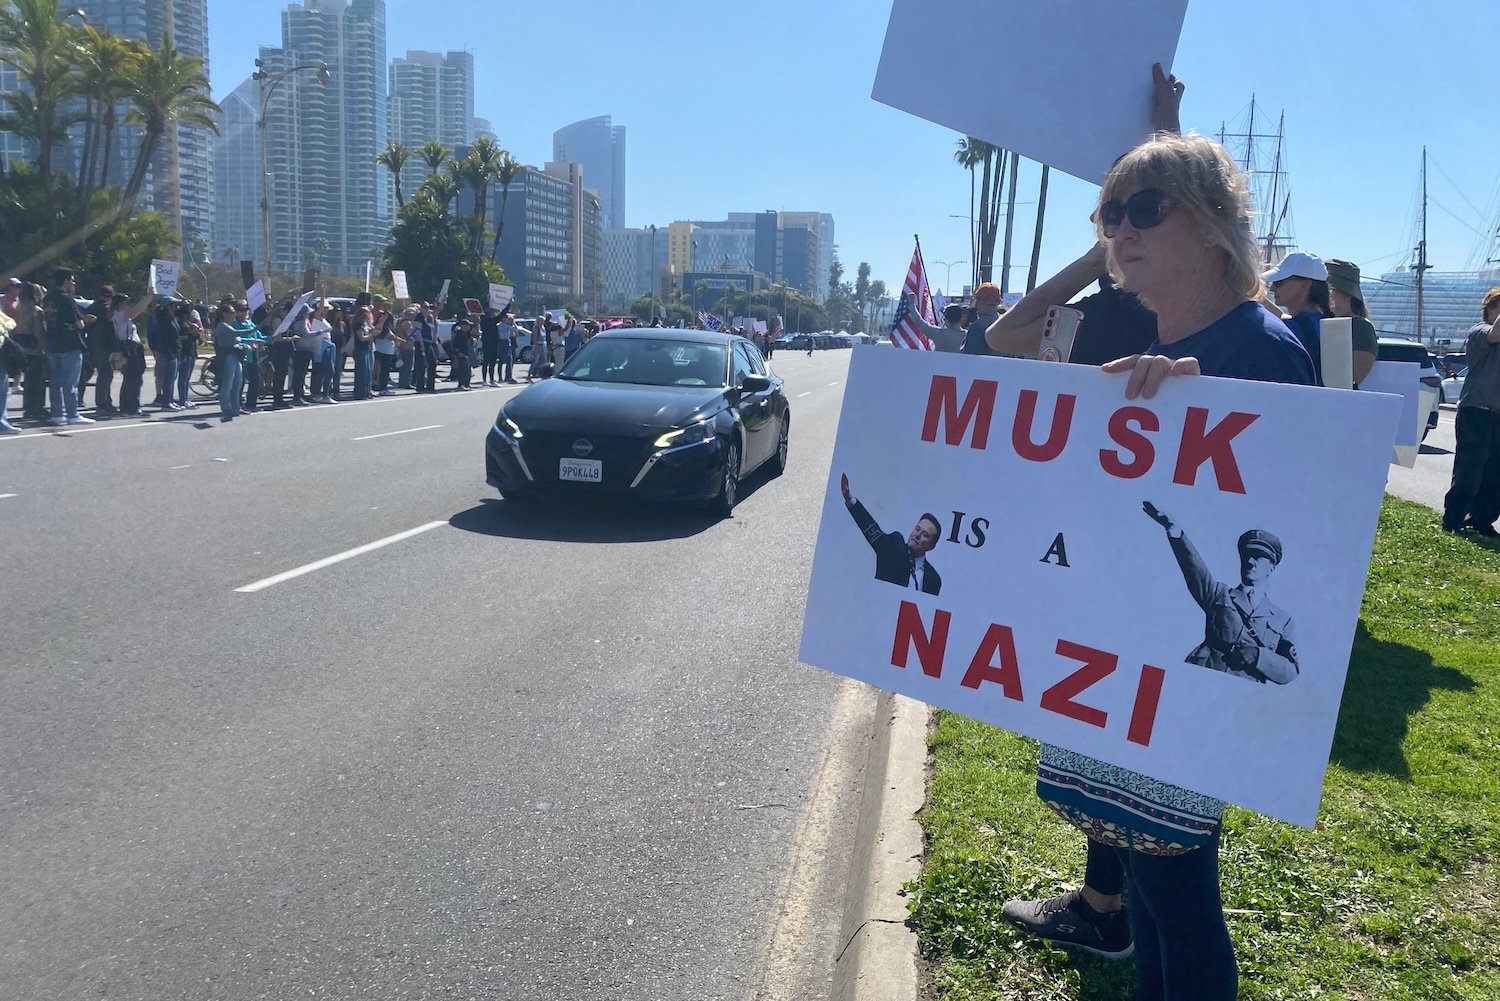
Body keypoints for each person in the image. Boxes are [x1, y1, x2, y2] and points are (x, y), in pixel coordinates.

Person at [1004, 133, 1314, 1000]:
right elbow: (1008, 345)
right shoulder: (1142, 342)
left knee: (1178, 894)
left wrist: (1202, 420)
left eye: (1147, 208)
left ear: (1216, 222)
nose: (1122, 231)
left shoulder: (1260, 347)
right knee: (1147, 879)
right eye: (1110, 214)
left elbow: (1299, 527)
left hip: (1194, 680)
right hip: (1141, 654)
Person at [1144, 504, 1299, 683]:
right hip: (1202, 677)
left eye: (1257, 556)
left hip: (1238, 693)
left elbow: (1290, 671)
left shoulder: (1282, 620)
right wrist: (1176, 533)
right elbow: (1194, 570)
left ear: (1271, 568)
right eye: (1246, 555)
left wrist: (1258, 656)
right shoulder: (1218, 594)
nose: (1250, 561)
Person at [1441, 288, 1500, 535]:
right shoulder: (1480, 332)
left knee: (1494, 473)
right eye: (1497, 306)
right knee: (1469, 470)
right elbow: (1496, 333)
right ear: (1487, 311)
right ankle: (1453, 519)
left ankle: (1481, 519)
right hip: (1475, 411)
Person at [838, 473, 943, 594]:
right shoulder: (893, 547)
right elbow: (872, 530)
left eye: (925, 534)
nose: (917, 535)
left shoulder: (933, 579)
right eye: (917, 529)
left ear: (932, 546)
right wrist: (850, 500)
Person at [1262, 251, 1333, 384]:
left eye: (1279, 282)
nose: (1272, 288)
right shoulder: (1326, 323)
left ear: (1305, 284)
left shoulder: (1292, 329)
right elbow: (1284, 318)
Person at [42, 268, 97, 425]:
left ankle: (57, 413)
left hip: (53, 343)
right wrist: (85, 321)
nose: (73, 283)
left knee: (55, 382)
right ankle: (72, 414)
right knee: (70, 382)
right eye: (72, 280)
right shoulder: (67, 299)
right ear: (66, 280)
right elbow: (78, 324)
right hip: (69, 344)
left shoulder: (48, 298)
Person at [1324, 259, 1379, 387]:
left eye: (1329, 289)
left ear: (1347, 294)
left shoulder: (1361, 328)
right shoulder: (1325, 322)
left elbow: (1347, 382)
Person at [105, 291, 154, 415]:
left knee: (129, 378)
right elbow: (138, 310)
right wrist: (148, 298)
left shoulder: (117, 315)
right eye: (127, 303)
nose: (129, 305)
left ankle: (126, 405)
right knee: (135, 378)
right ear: (120, 304)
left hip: (129, 347)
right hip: (130, 348)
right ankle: (132, 406)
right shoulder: (120, 315)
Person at [13, 282, 50, 423]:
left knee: (28, 380)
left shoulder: (19, 308)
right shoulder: (37, 311)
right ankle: (37, 408)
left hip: (22, 347)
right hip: (35, 349)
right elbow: (39, 333)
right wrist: (46, 351)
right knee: (38, 380)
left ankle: (28, 407)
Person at [212, 303, 248, 422]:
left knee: (238, 383)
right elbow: (236, 335)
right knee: (228, 384)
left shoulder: (229, 325)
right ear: (224, 314)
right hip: (228, 357)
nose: (235, 315)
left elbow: (238, 340)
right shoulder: (222, 326)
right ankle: (226, 408)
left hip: (236, 356)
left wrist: (252, 342)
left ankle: (235, 407)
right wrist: (254, 329)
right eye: (232, 312)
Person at [961, 283, 1004, 355]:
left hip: (984, 366)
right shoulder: (1006, 323)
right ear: (998, 302)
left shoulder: (977, 326)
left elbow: (970, 357)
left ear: (979, 301)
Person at [350, 305, 376, 399]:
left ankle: (366, 391)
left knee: (368, 372)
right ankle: (360, 393)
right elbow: (361, 338)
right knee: (362, 372)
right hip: (360, 350)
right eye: (366, 312)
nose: (368, 314)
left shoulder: (365, 324)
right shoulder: (358, 325)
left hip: (366, 349)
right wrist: (371, 335)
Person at [449, 315, 474, 390]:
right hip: (461, 354)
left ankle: (466, 384)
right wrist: (458, 352)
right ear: (463, 326)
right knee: (462, 370)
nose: (468, 327)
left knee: (467, 370)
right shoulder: (459, 333)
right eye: (467, 325)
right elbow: (455, 344)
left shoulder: (466, 334)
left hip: (465, 354)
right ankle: (461, 385)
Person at [496, 309, 518, 383]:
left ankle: (502, 377)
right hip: (504, 342)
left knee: (503, 360)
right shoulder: (504, 326)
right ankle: (505, 377)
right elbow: (514, 329)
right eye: (505, 318)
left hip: (503, 342)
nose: (506, 319)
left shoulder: (498, 325)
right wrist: (513, 321)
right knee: (506, 360)